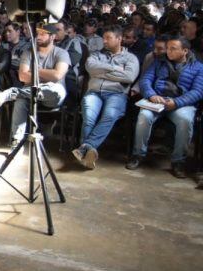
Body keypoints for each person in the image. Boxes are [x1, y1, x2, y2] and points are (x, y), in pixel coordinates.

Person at [127, 36, 203, 178]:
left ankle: (178, 161)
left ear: (185, 50)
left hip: (181, 103)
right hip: (158, 100)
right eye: (168, 48)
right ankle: (138, 154)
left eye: (173, 49)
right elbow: (146, 80)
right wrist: (151, 95)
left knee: (185, 121)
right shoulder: (159, 62)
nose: (168, 51)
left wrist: (177, 102)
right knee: (144, 116)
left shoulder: (198, 67)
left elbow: (198, 91)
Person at [72, 26, 139, 170]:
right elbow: (90, 68)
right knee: (88, 117)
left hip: (116, 94)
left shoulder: (130, 58)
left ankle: (85, 149)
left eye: (108, 38)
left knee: (110, 115)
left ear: (119, 39)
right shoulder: (96, 55)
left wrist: (100, 72)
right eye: (104, 38)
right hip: (94, 92)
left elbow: (129, 76)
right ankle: (89, 153)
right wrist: (116, 70)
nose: (104, 41)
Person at [7, 24, 71, 146]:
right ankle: (16, 140)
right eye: (38, 34)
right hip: (30, 92)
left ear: (52, 37)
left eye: (43, 34)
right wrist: (47, 74)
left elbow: (57, 76)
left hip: (52, 96)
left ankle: (14, 93)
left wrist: (34, 70)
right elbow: (22, 76)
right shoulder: (29, 52)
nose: (39, 37)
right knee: (20, 101)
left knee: (55, 89)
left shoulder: (62, 53)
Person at [3, 22, 30, 87]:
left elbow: (21, 63)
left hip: (17, 76)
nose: (7, 33)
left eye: (9, 31)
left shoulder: (27, 46)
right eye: (5, 31)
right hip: (4, 76)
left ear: (18, 32)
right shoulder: (2, 46)